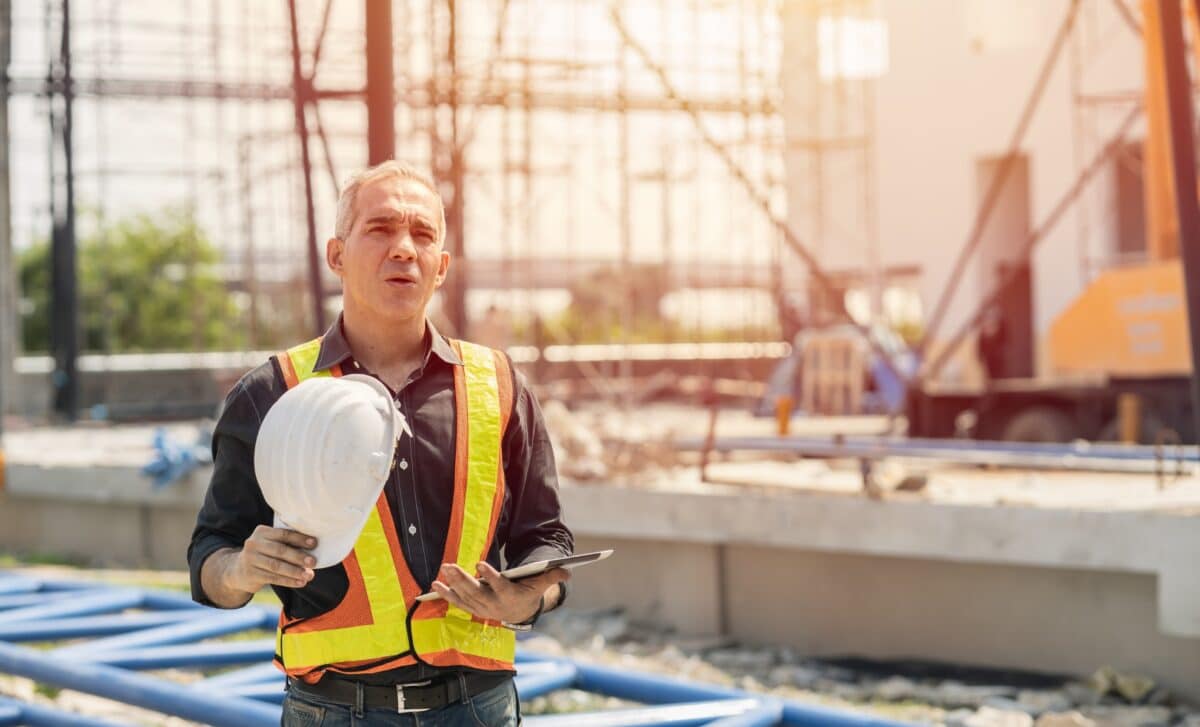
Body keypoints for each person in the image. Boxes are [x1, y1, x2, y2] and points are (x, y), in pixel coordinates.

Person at [188, 160, 574, 726]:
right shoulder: (273, 395)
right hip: (336, 710)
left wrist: (532, 597)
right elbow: (208, 559)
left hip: (479, 707)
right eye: (380, 228)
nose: (403, 248)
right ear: (337, 254)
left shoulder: (500, 387)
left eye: (422, 234)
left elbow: (548, 539)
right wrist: (242, 569)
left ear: (440, 267)